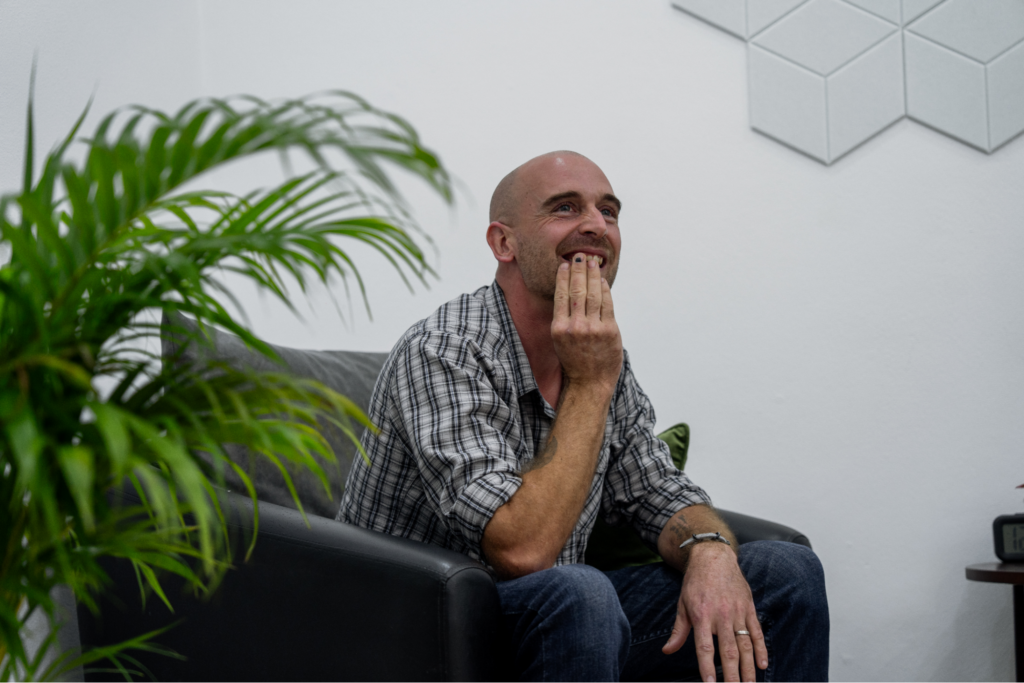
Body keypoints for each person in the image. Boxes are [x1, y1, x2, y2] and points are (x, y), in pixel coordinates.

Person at [339, 151, 829, 683]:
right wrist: (591, 383)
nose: (596, 226)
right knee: (579, 589)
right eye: (566, 208)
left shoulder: (597, 354)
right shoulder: (444, 349)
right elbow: (521, 552)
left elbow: (656, 492)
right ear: (504, 243)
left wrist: (709, 552)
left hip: (564, 617)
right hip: (420, 620)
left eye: (609, 212)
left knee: (784, 571)